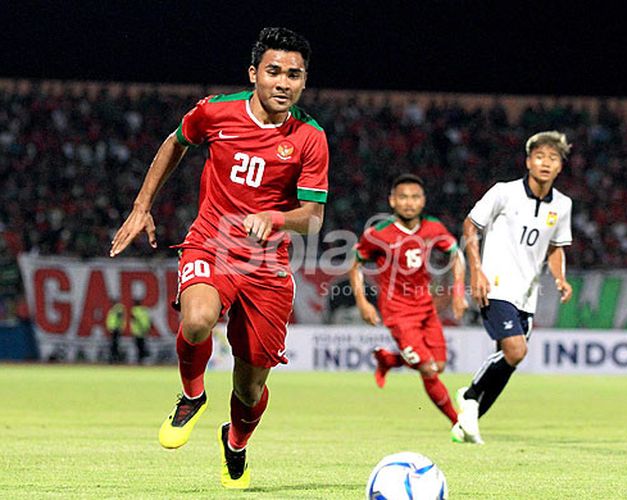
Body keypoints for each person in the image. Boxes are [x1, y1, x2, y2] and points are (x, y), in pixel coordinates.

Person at [109, 27, 328, 489]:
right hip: (212, 241)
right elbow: (175, 143)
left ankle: (236, 441)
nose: (284, 82)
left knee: (250, 389)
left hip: (267, 266)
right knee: (197, 319)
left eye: (294, 75)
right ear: (254, 74)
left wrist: (274, 217)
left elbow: (311, 218)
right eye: (274, 72)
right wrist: (141, 206)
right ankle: (191, 395)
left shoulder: (310, 138)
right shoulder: (215, 111)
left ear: (304, 82)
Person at [455, 131, 574, 444]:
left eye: (553, 158)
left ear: (560, 166)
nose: (546, 163)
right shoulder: (504, 193)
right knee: (516, 350)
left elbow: (556, 247)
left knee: (508, 363)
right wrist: (476, 270)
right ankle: (467, 396)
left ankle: (467, 423)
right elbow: (471, 224)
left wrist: (560, 278)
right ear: (528, 161)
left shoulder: (562, 205)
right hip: (495, 285)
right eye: (540, 157)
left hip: (528, 294)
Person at [349, 174, 468, 441]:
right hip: (397, 312)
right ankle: (458, 423)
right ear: (392, 200)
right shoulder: (378, 233)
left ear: (423, 200)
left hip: (425, 308)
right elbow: (355, 264)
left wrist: (459, 293)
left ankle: (390, 359)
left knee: (438, 365)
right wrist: (362, 302)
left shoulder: (433, 227)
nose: (409, 203)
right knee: (427, 369)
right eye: (403, 197)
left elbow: (456, 255)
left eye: (415, 197)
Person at [130, 299, 151, 364]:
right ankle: (143, 358)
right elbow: (148, 320)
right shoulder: (144, 310)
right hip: (144, 331)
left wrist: (140, 327)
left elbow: (136, 320)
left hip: (137, 331)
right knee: (142, 346)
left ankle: (140, 359)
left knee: (138, 346)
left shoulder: (134, 311)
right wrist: (146, 328)